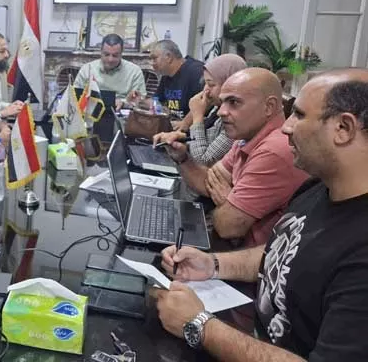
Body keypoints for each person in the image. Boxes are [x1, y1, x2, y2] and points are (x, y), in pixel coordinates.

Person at [153, 69, 368, 360]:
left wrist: (201, 325)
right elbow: (284, 253)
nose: (286, 127)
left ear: (344, 128)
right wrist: (213, 264)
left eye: (298, 115)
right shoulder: (319, 188)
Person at [165, 68, 308, 247]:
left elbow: (228, 227)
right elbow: (208, 182)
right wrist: (182, 158)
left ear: (269, 107)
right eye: (223, 102)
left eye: (233, 102)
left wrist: (228, 201)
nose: (221, 112)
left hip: (242, 254)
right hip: (232, 244)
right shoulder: (246, 137)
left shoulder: (274, 150)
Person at [153, 54, 247, 166]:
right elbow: (207, 140)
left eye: (211, 84)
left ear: (230, 85)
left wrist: (197, 116)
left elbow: (203, 160)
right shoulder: (216, 108)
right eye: (205, 84)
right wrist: (181, 138)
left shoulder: (238, 120)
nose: (205, 90)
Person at [73, 33, 146, 110]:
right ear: (101, 52)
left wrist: (123, 103)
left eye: (115, 56)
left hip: (122, 111)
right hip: (91, 111)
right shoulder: (87, 69)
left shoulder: (134, 72)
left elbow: (140, 101)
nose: (110, 60)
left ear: (121, 54)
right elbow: (75, 96)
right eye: (106, 54)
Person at [146, 40, 204, 120]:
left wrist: (184, 123)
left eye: (154, 58)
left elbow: (205, 103)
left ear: (168, 57)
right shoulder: (166, 74)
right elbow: (156, 101)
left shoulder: (196, 71)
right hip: (171, 123)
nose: (152, 63)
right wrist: (139, 101)